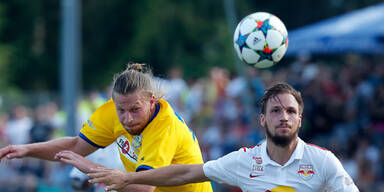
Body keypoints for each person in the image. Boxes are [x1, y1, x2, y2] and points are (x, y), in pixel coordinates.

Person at [78, 82, 359, 192]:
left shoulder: (323, 162)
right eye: (275, 111)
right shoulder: (245, 161)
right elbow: (183, 174)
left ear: (300, 119)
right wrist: (126, 177)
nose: (283, 117)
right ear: (263, 120)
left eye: (290, 111)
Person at [0, 63, 213, 192]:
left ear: (152, 101)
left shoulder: (164, 127)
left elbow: (142, 187)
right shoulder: (113, 111)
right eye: (122, 110)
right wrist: (28, 150)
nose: (127, 118)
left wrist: (88, 168)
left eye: (135, 110)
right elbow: (76, 146)